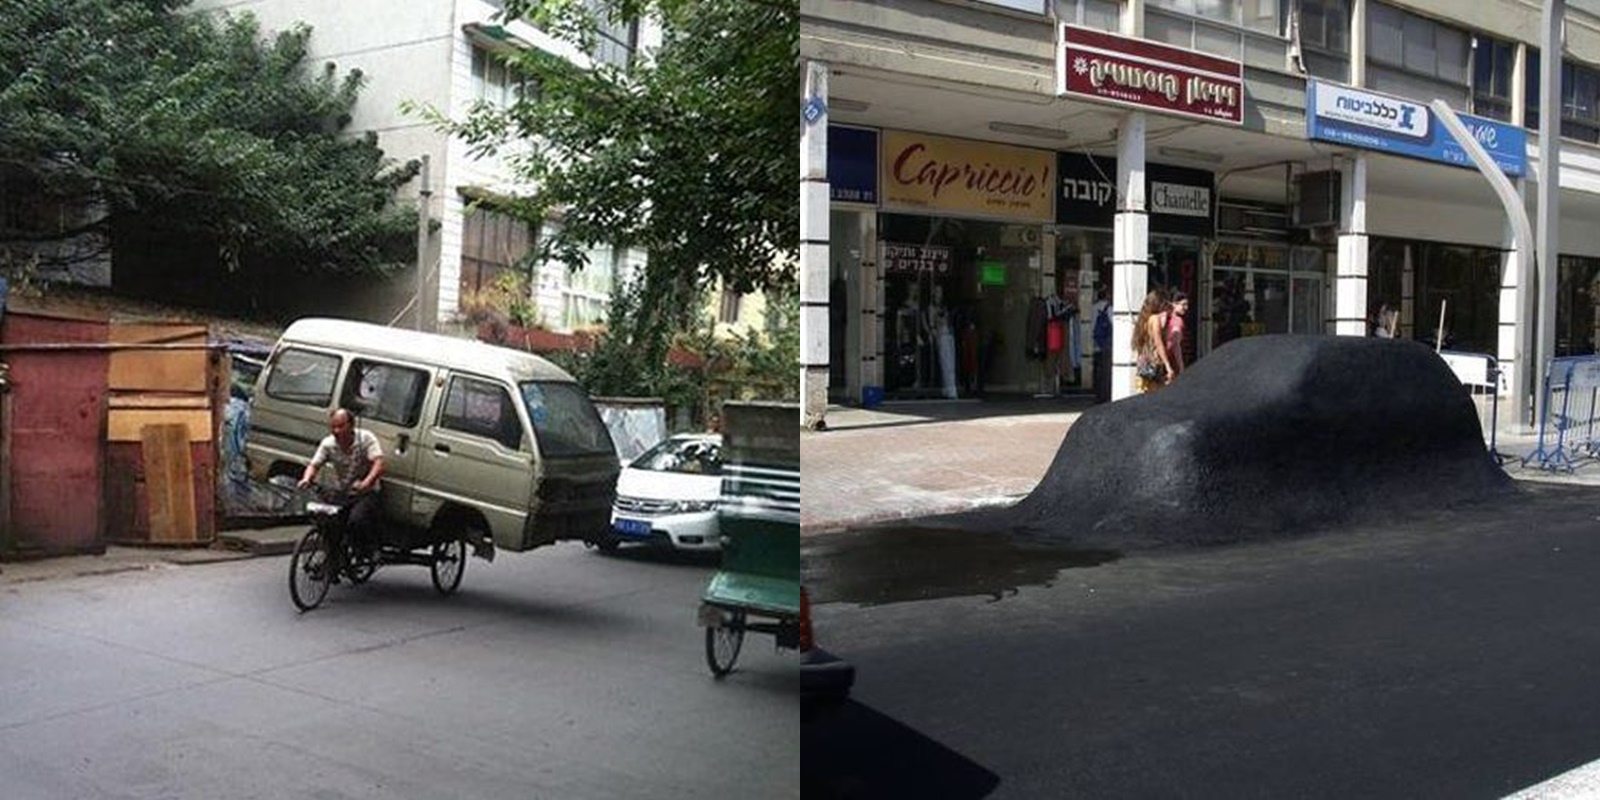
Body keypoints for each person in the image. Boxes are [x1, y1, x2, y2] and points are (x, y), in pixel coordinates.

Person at [298, 407, 385, 548]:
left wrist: (366, 483)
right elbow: (314, 465)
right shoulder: (328, 444)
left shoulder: (366, 438)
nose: (336, 431)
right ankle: (333, 557)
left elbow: (378, 463)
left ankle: (367, 548)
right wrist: (307, 479)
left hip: (367, 493)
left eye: (340, 426)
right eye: (333, 427)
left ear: (351, 425)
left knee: (356, 521)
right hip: (343, 492)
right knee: (329, 522)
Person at [1132, 288, 1174, 393]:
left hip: (1143, 366)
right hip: (1153, 365)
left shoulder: (1143, 319)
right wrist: (1168, 366)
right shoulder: (1155, 319)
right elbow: (1158, 342)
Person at [1092, 286, 1112, 404]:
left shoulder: (1093, 307)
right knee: (1105, 371)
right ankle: (1104, 394)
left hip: (1096, 341)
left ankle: (1098, 393)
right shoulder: (1109, 308)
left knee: (1098, 370)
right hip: (1106, 344)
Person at [1164, 291, 1189, 380]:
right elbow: (1175, 345)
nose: (1186, 308)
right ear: (1174, 304)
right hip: (1171, 361)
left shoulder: (1164, 318)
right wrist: (1181, 366)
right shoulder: (1178, 321)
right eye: (1183, 305)